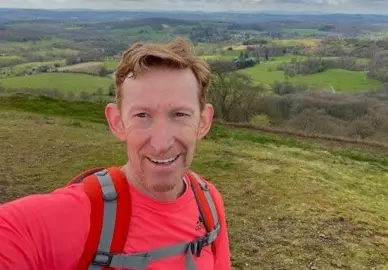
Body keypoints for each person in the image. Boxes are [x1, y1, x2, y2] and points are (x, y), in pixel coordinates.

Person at [0, 38, 231, 269]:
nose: (161, 143)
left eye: (179, 115)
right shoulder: (81, 213)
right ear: (117, 122)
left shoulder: (209, 202)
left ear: (203, 122)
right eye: (142, 115)